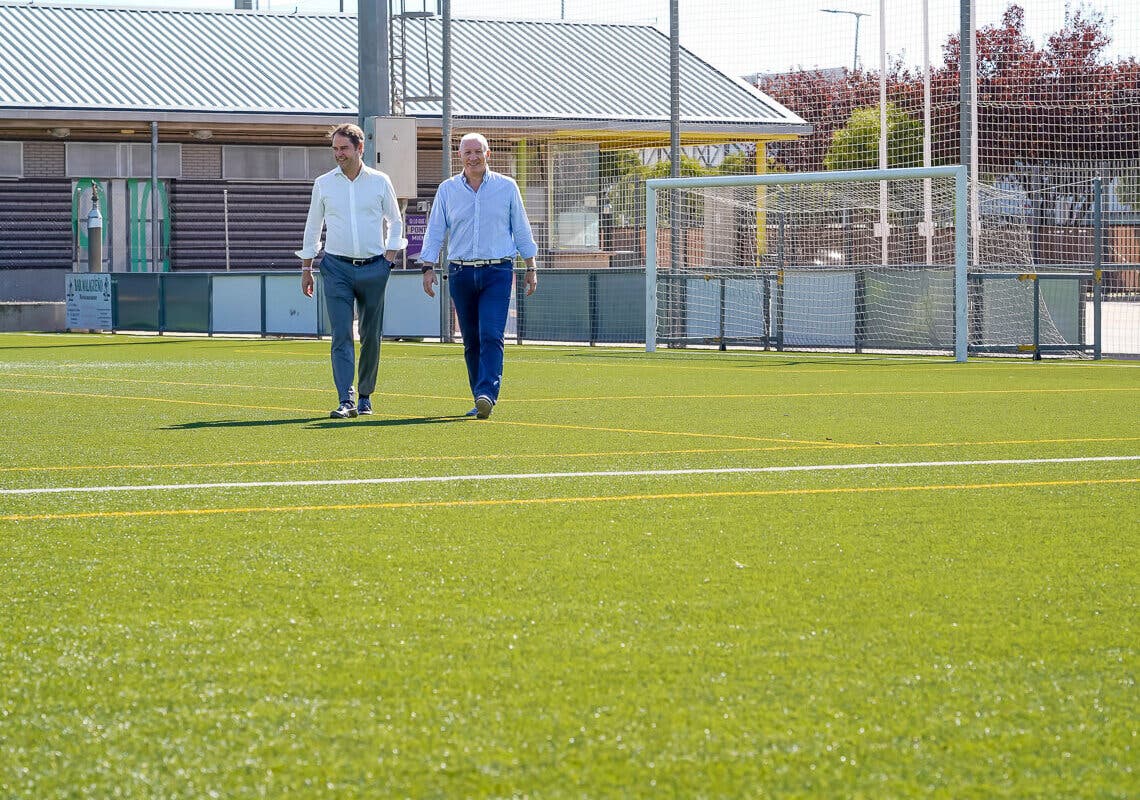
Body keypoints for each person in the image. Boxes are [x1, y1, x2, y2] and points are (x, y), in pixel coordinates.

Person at [419, 132, 538, 419]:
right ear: (459, 156)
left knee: (491, 334)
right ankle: (478, 395)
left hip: (497, 271)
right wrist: (427, 266)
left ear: (488, 155)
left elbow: (521, 228)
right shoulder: (447, 190)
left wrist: (531, 266)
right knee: (470, 338)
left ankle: (487, 393)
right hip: (460, 272)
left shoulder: (507, 187)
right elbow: (435, 230)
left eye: (478, 152)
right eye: (467, 152)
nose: (473, 157)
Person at [297, 123, 406, 419]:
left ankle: (366, 396)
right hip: (335, 268)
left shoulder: (380, 181)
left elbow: (395, 221)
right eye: (334, 149)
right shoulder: (323, 183)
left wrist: (389, 258)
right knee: (341, 333)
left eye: (344, 148)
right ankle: (346, 399)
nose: (338, 154)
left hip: (375, 268)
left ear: (360, 148)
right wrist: (307, 266)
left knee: (371, 335)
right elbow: (313, 225)